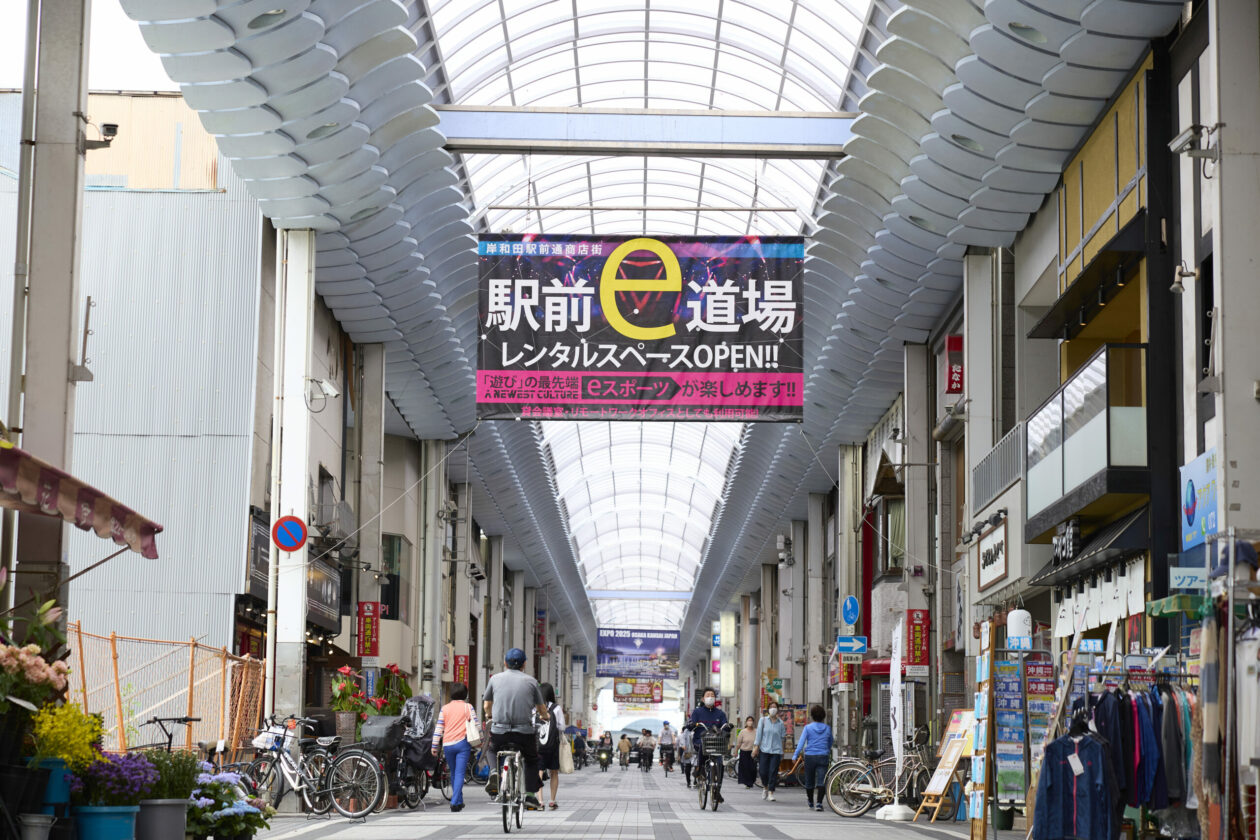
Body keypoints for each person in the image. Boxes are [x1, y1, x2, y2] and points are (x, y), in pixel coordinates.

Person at [482, 647, 549, 811]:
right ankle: (531, 796)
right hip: (523, 733)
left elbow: (486, 704)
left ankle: (494, 773)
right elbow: (541, 708)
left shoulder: (495, 679)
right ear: (524, 664)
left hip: (499, 731)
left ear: (505, 663)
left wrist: (489, 715)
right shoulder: (532, 682)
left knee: (492, 751)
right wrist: (545, 716)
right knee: (532, 759)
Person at [431, 682, 480, 812]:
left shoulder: (445, 708)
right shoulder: (468, 707)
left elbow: (439, 728)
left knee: (453, 772)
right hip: (462, 744)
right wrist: (480, 739)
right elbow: (476, 725)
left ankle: (459, 801)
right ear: (465, 694)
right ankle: (454, 801)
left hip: (448, 744)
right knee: (459, 773)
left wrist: (434, 745)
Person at [685, 687, 730, 802]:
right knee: (701, 745)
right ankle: (699, 769)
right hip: (700, 741)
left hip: (716, 743)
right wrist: (691, 724)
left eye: (712, 695)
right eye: (707, 695)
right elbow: (690, 723)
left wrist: (727, 727)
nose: (710, 697)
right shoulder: (697, 712)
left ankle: (717, 791)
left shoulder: (720, 713)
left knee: (719, 765)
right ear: (703, 699)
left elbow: (725, 725)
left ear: (715, 698)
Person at [791, 704, 835, 811]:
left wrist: (795, 755)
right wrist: (827, 749)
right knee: (821, 781)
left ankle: (810, 801)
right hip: (823, 756)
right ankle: (819, 803)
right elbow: (831, 741)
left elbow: (801, 743)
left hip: (810, 756)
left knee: (809, 780)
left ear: (812, 716)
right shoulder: (827, 728)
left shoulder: (808, 727)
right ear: (823, 716)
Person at [536, 682, 565, 809]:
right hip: (553, 745)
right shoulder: (556, 708)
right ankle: (552, 800)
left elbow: (532, 724)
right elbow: (562, 727)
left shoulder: (535, 707)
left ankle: (540, 801)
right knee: (554, 772)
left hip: (538, 745)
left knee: (539, 771)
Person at [753, 703, 786, 801]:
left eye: (775, 707)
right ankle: (765, 787)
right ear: (768, 710)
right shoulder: (762, 720)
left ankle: (771, 792)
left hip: (776, 751)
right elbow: (759, 734)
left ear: (778, 710)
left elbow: (783, 738)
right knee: (763, 771)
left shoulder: (780, 723)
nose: (773, 709)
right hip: (764, 750)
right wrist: (756, 747)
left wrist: (782, 751)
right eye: (771, 707)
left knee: (773, 772)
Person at [734, 715, 757, 788]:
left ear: (753, 722)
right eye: (748, 720)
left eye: (751, 720)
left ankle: (751, 781)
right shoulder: (743, 732)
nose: (750, 722)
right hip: (744, 752)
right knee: (746, 768)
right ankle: (748, 783)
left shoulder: (756, 731)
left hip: (753, 751)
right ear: (746, 722)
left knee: (753, 768)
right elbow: (739, 743)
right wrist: (736, 751)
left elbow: (758, 742)